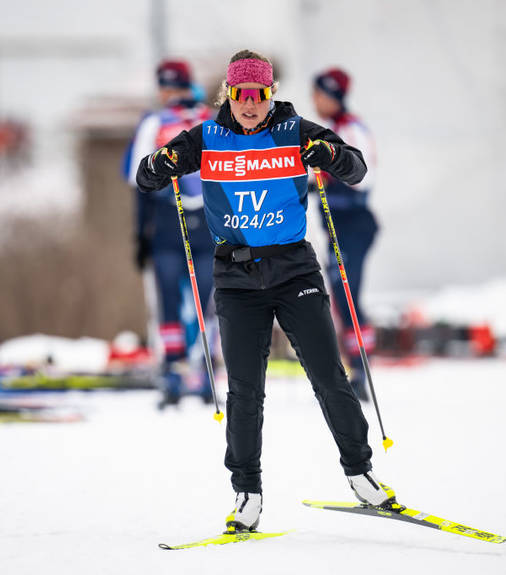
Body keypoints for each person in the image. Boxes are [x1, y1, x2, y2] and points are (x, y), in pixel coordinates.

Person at [136, 49, 396, 532]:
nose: (250, 104)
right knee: (245, 392)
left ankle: (361, 474)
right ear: (228, 96)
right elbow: (146, 176)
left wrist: (332, 155)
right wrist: (160, 163)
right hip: (235, 280)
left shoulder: (295, 132)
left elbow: (356, 169)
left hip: (294, 270)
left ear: (269, 94)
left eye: (258, 95)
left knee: (328, 376)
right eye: (241, 95)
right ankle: (247, 493)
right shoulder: (206, 138)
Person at [125, 59, 216, 408]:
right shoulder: (154, 123)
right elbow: (139, 177)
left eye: (172, 87)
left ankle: (207, 368)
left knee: (208, 299)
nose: (168, 95)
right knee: (169, 298)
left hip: (206, 223)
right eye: (164, 87)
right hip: (167, 221)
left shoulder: (209, 120)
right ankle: (173, 370)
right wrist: (141, 234)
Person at [311, 68, 379, 401]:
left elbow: (362, 179)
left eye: (319, 94)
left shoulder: (352, 128)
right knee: (341, 296)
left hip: (353, 223)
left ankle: (361, 367)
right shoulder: (333, 129)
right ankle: (356, 364)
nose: (315, 101)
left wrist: (324, 181)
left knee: (347, 294)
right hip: (336, 225)